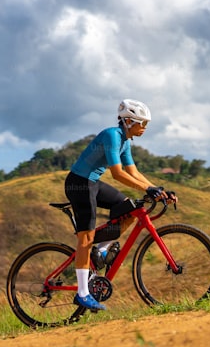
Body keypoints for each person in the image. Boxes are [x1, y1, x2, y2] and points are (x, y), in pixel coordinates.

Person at [64, 99, 176, 311]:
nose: (144, 128)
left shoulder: (125, 141)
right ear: (127, 121)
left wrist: (158, 190)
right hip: (79, 183)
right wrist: (147, 190)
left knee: (129, 208)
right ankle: (82, 292)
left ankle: (100, 250)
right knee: (85, 237)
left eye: (145, 124)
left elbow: (133, 172)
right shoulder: (112, 136)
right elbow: (117, 174)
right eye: (141, 123)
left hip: (93, 182)